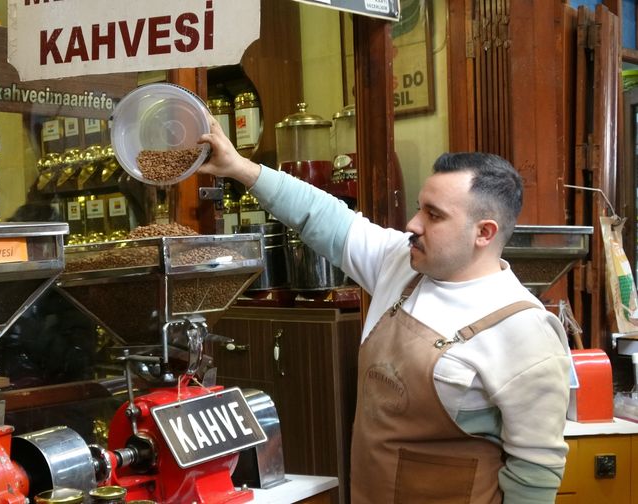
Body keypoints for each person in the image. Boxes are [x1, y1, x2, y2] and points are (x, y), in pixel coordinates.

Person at [198, 116, 571, 503]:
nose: (413, 224)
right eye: (419, 208)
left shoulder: (524, 329)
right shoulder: (401, 262)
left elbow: (536, 471)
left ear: (484, 232)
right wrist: (240, 168)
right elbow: (322, 215)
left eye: (434, 215)